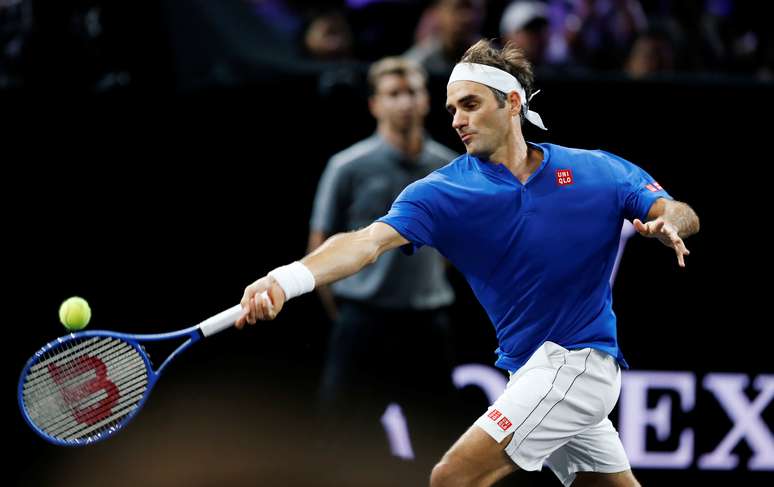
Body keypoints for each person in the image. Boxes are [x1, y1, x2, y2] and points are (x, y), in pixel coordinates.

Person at [237, 39, 700, 487]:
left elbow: (676, 209)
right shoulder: (442, 192)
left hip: (578, 362)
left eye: (470, 105)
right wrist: (288, 278)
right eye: (452, 109)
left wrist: (669, 223)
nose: (457, 120)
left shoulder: (597, 170)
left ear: (513, 103)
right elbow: (365, 242)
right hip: (532, 369)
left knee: (453, 476)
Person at [308, 56, 460, 472]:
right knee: (339, 444)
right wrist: (348, 313)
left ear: (427, 99)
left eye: (412, 91)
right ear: (375, 104)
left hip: (426, 324)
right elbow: (319, 248)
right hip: (362, 324)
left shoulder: (449, 169)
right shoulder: (347, 167)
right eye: (393, 94)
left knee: (442, 449)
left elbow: (454, 247)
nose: (405, 102)